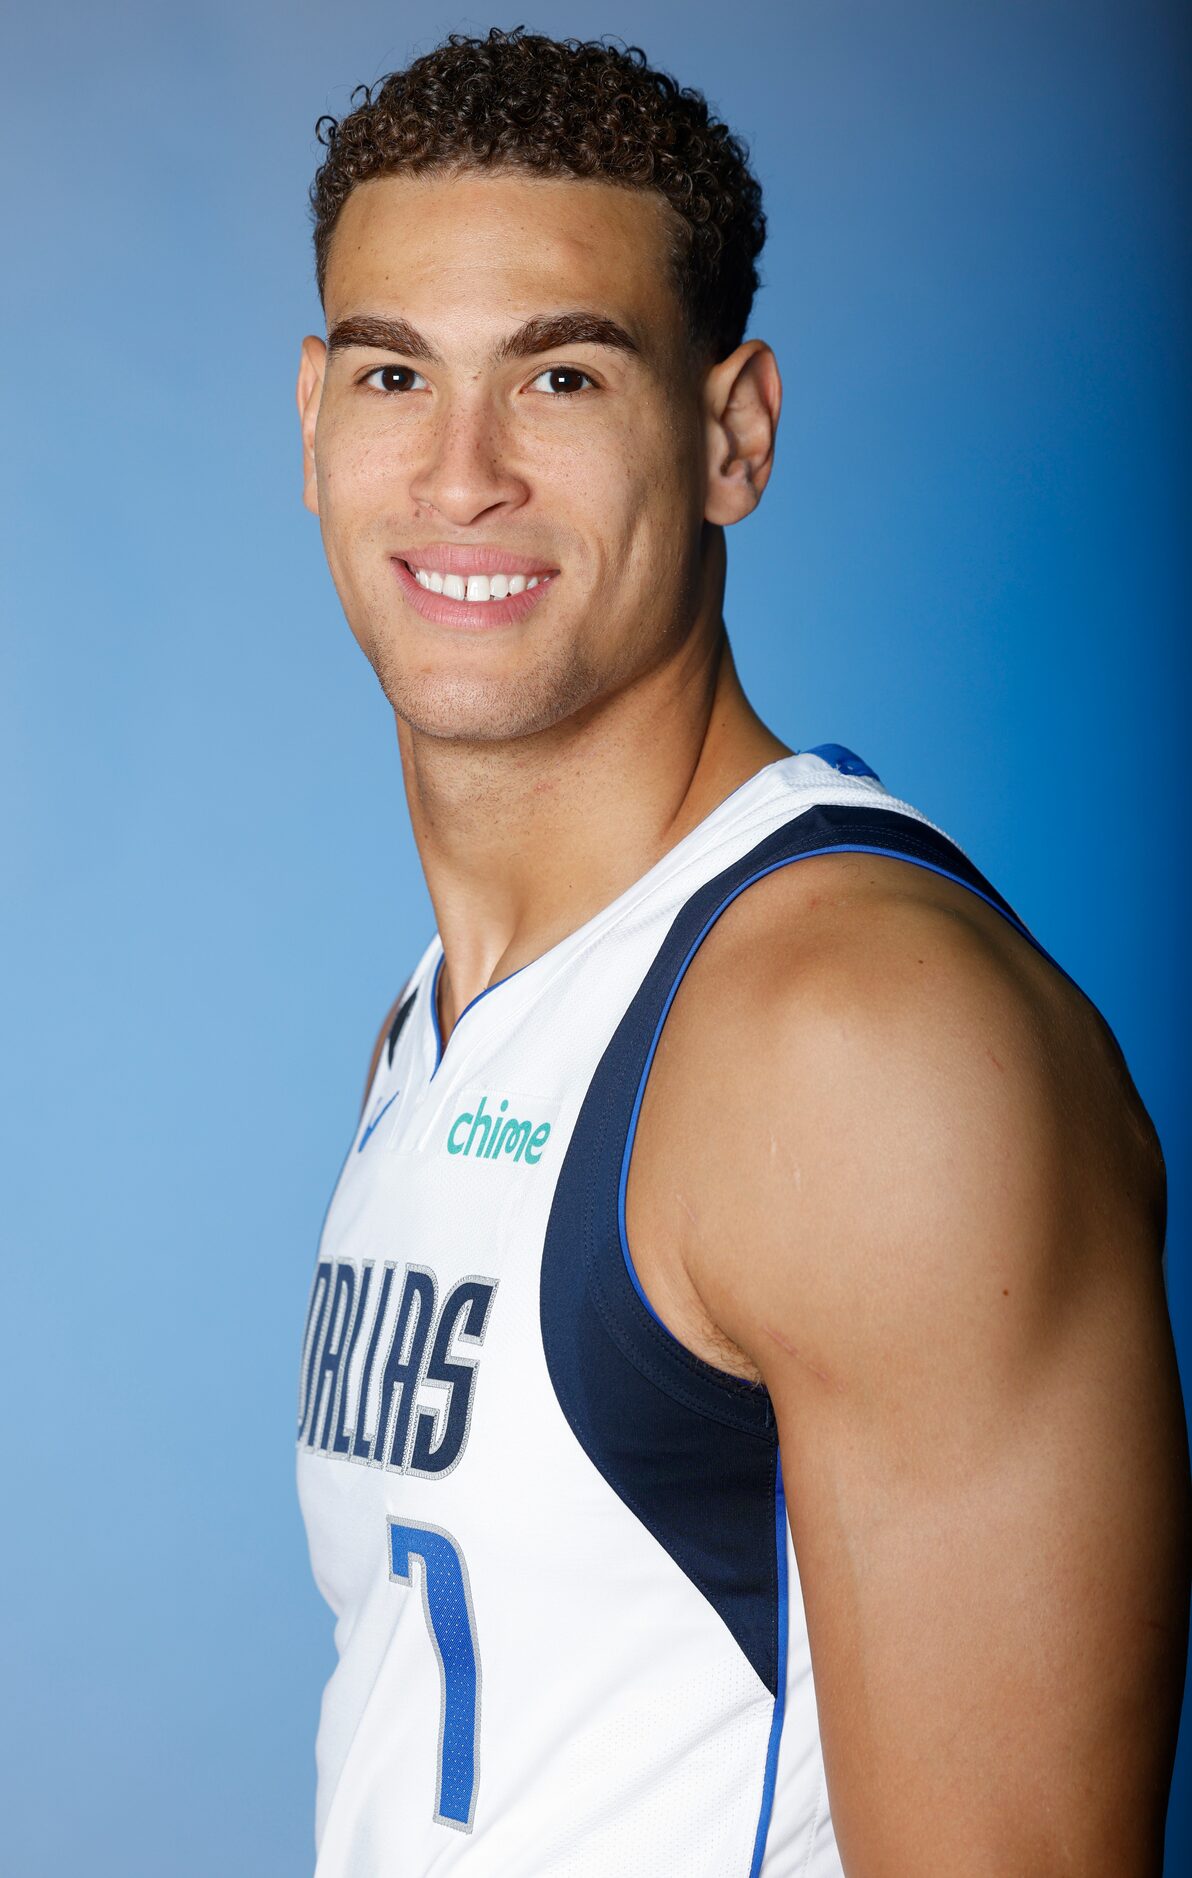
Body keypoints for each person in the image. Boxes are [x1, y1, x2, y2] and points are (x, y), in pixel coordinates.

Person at [292, 27, 1189, 1875]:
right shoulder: (447, 1022)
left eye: (559, 376)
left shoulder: (855, 1039)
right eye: (398, 373)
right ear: (314, 420)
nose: (460, 474)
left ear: (732, 432)